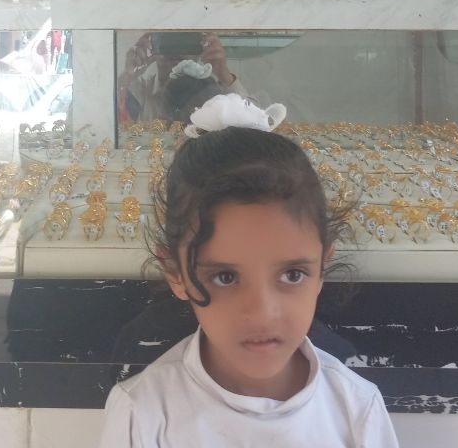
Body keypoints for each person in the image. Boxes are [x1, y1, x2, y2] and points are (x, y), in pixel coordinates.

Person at [97, 95, 399, 448]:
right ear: (176, 273)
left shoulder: (356, 410)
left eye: (292, 274)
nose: (262, 312)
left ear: (322, 267)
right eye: (225, 277)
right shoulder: (143, 413)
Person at [119, 32, 246, 124]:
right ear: (154, 47)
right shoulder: (138, 93)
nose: (176, 51)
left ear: (200, 48)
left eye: (185, 42)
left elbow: (250, 125)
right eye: (168, 42)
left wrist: (224, 75)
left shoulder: (215, 94)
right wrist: (127, 77)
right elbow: (112, 125)